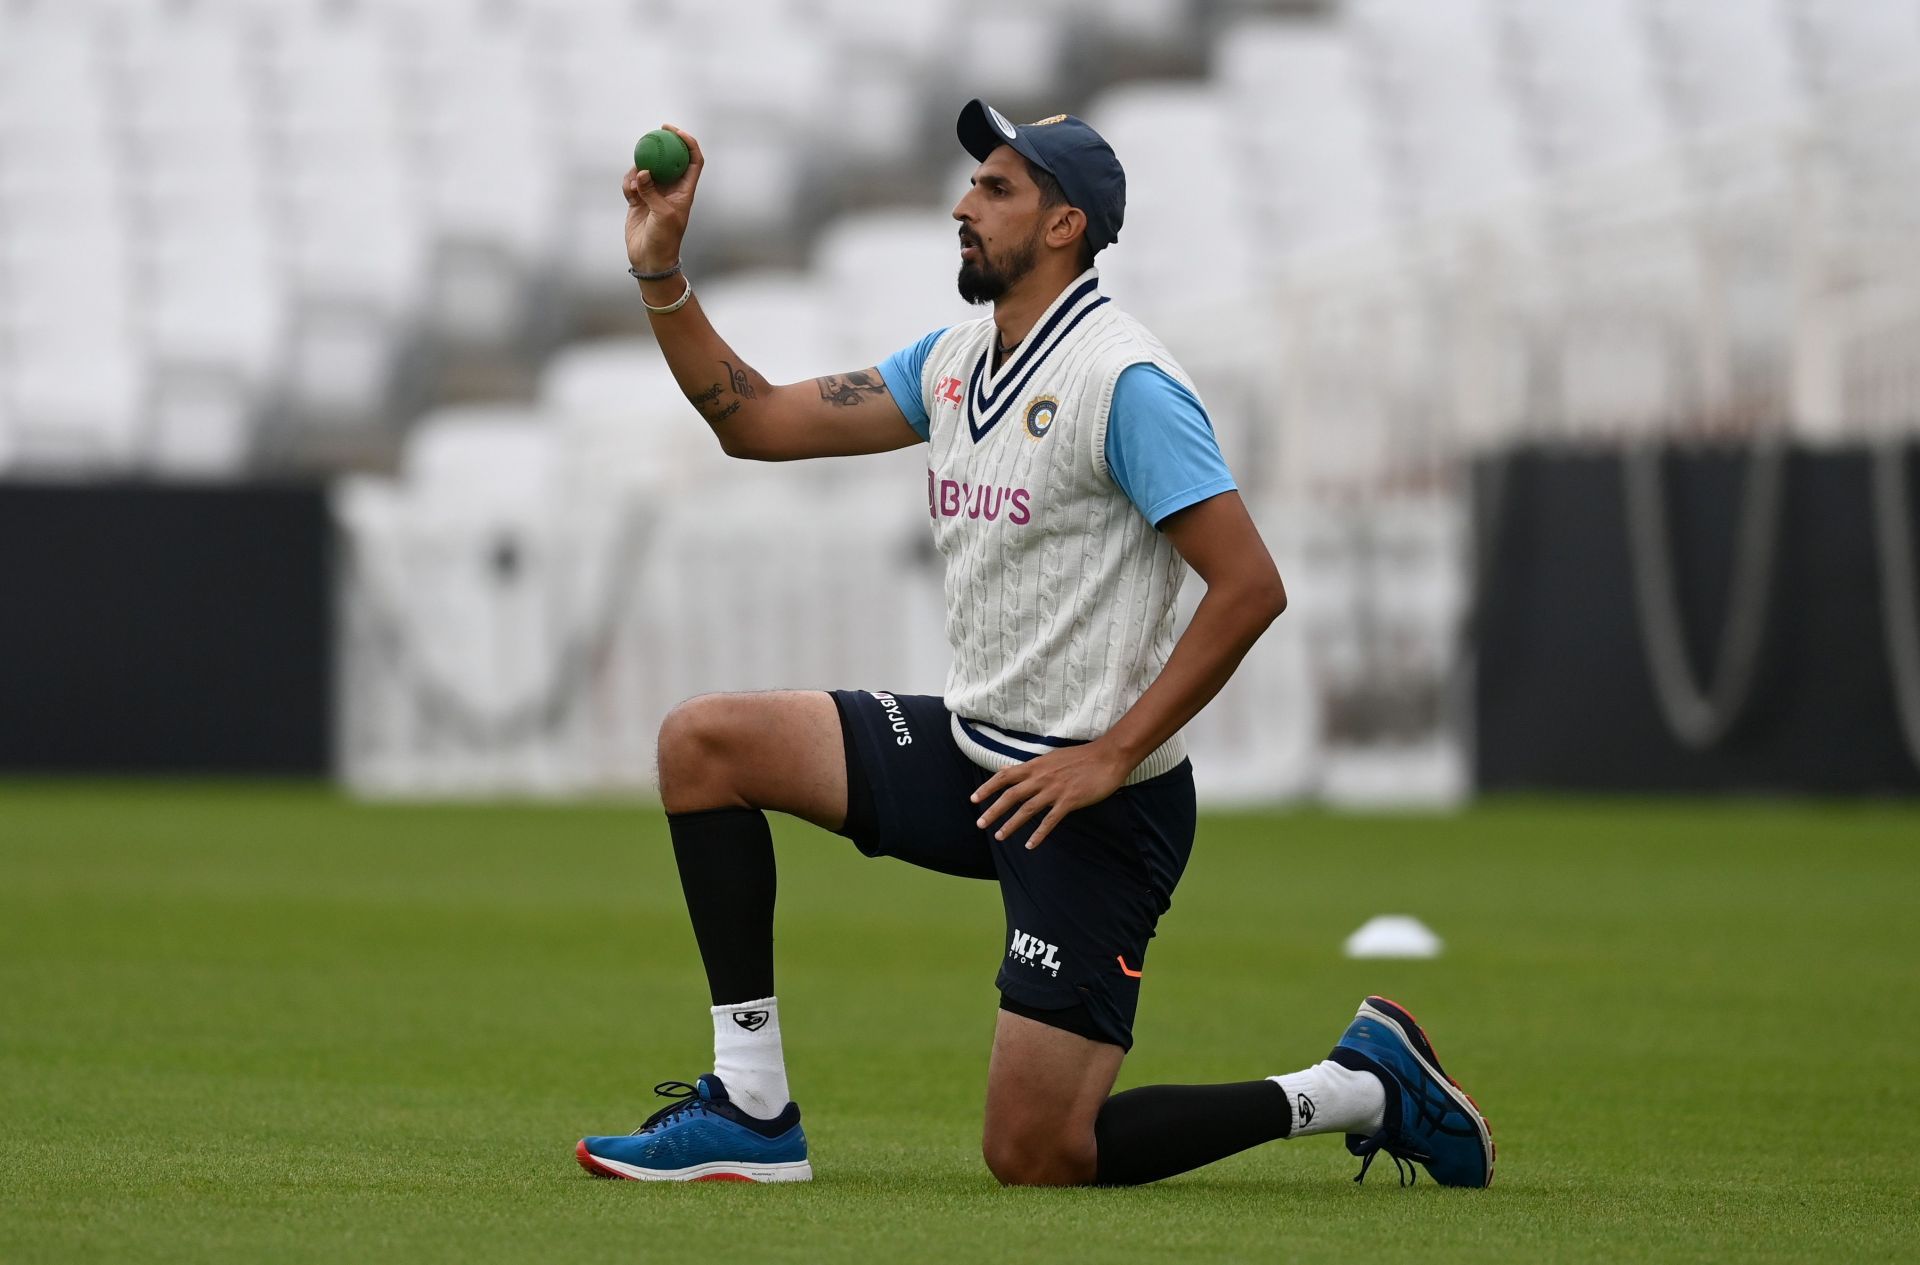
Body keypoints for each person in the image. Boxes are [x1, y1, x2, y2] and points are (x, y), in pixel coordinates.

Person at [575, 101, 1493, 1189]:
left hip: (1096, 804)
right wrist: (661, 275)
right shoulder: (958, 358)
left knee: (1038, 1153)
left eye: (997, 188)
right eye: (972, 185)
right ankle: (751, 1107)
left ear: (1065, 225)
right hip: (979, 756)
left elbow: (1251, 587)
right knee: (705, 744)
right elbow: (755, 421)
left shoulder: (1127, 384)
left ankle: (1358, 1085)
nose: (965, 205)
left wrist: (1109, 754)